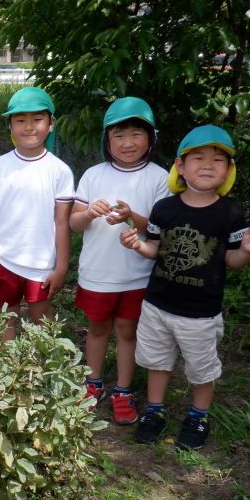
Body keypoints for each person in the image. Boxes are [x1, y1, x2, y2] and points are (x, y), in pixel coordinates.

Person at [121, 125, 250, 449]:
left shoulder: (231, 213)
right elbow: (154, 249)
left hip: (201, 313)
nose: (207, 164)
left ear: (229, 171)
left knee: (202, 370)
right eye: (197, 157)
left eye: (218, 159)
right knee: (157, 362)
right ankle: (154, 411)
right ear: (180, 167)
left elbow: (232, 260)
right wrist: (136, 244)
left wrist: (246, 251)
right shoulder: (164, 208)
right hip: (157, 304)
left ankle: (198, 415)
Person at [69, 98, 170, 424]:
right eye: (119, 135)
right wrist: (88, 213)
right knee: (97, 329)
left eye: (136, 134)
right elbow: (73, 223)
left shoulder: (159, 178)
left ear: (151, 138)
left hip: (137, 275)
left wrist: (133, 217)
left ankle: (123, 391)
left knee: (128, 332)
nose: (128, 143)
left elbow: (161, 230)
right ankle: (92, 383)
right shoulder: (93, 175)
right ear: (107, 141)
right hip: (97, 273)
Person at [0, 87, 74, 338]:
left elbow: (62, 223)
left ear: (51, 124)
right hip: (2, 259)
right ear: (10, 126)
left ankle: (45, 371)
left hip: (41, 263)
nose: (29, 127)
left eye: (37, 120)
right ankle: (5, 373)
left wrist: (61, 268)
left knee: (41, 316)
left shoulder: (59, 171)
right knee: (4, 317)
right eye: (20, 120)